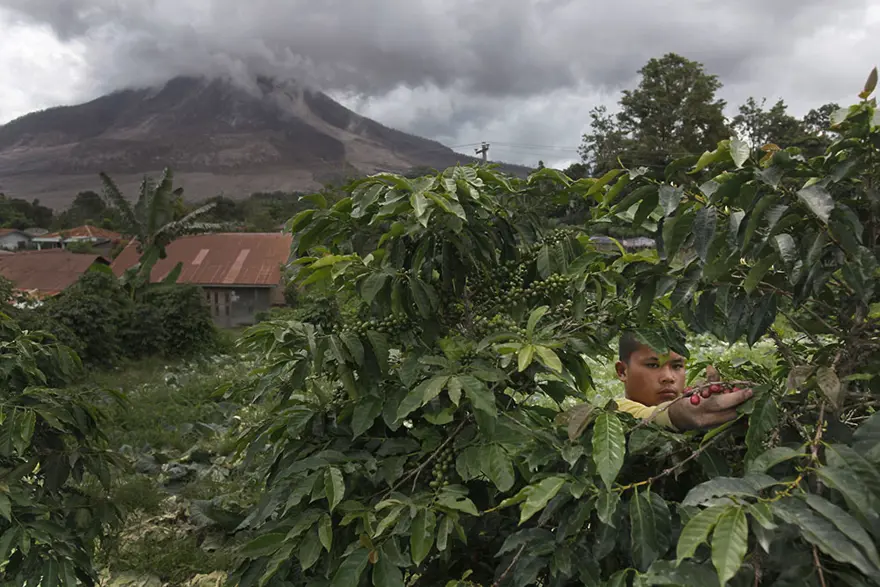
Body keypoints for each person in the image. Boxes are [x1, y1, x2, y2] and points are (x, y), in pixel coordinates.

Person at [614, 331, 753, 431]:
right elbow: (650, 416)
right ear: (622, 371)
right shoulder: (615, 413)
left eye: (677, 366)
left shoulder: (693, 399)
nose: (668, 377)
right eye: (653, 365)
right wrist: (680, 413)